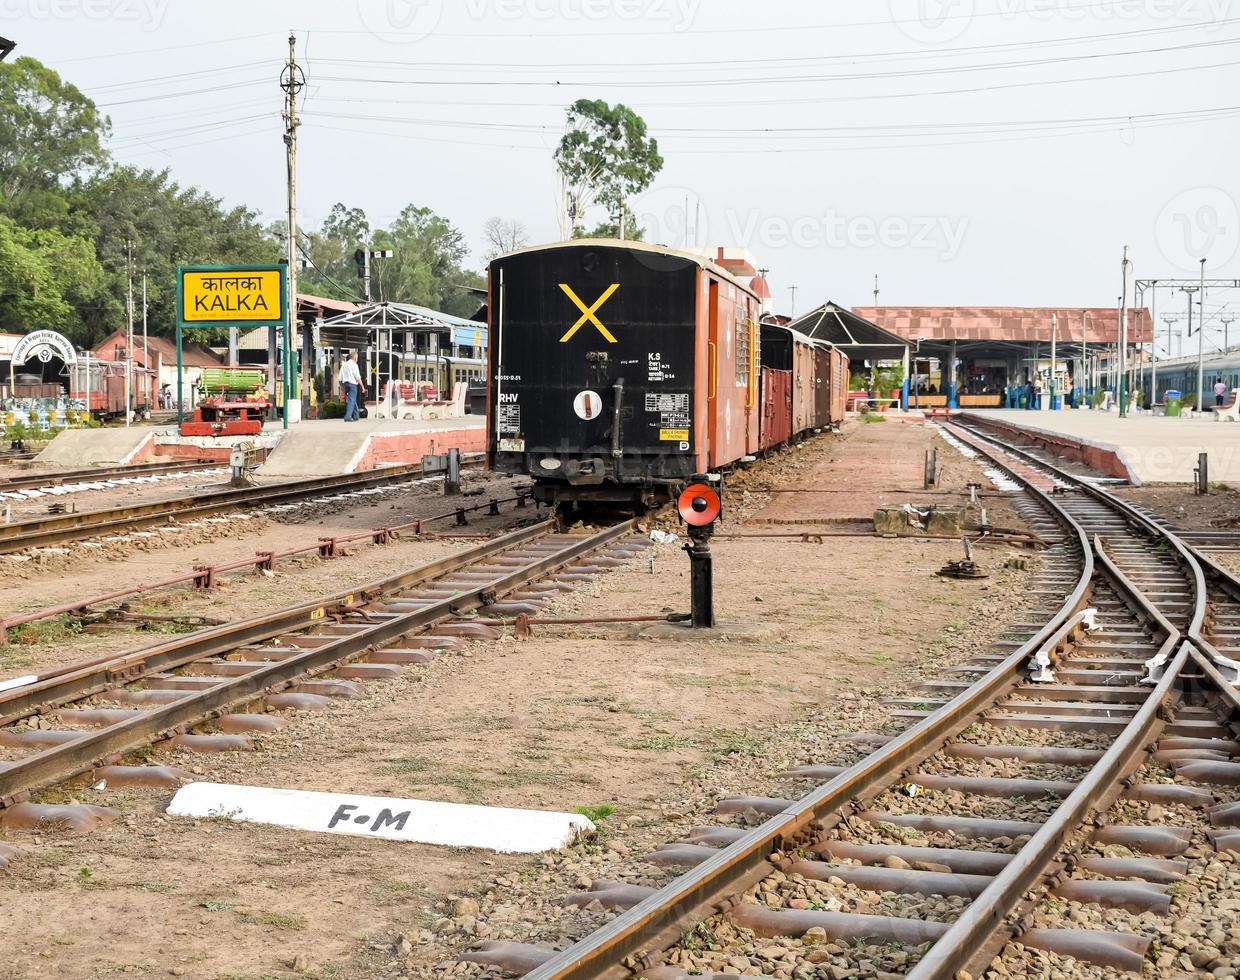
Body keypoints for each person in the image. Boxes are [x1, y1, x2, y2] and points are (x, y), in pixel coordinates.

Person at [340, 351, 366, 421]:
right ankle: (348, 416)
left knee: (352, 399)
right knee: (351, 400)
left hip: (345, 384)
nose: (357, 359)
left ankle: (356, 415)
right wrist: (363, 387)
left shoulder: (344, 365)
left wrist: (342, 387)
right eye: (357, 358)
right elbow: (357, 377)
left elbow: (340, 377)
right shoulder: (354, 365)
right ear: (354, 357)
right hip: (352, 384)